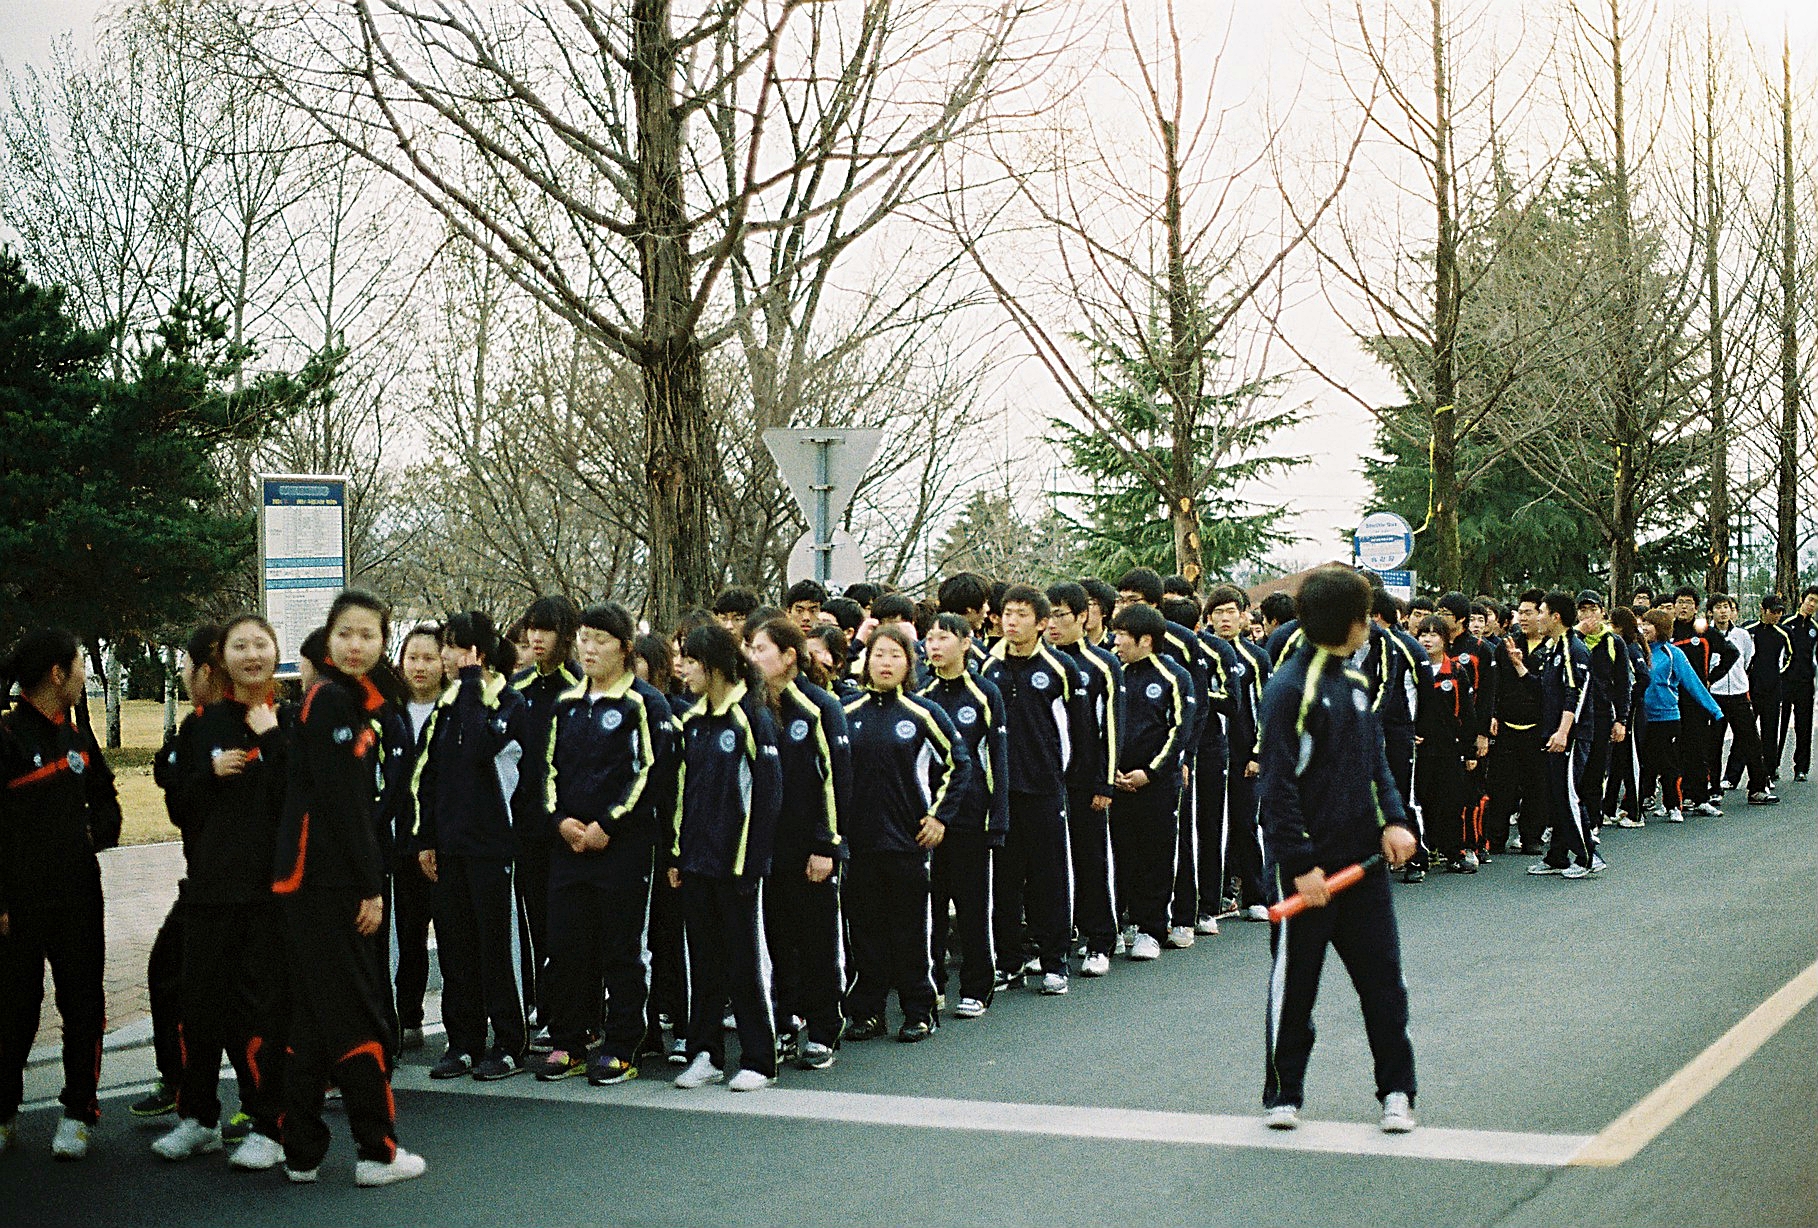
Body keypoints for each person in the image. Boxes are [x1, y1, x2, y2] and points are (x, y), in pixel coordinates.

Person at [1255, 565, 1419, 1135]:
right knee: (1295, 986)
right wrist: (1300, 866)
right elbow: (1275, 787)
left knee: (1383, 984)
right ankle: (1283, 1093)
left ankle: (1397, 1091)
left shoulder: (1355, 681)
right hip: (1309, 872)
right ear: (1349, 622)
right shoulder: (1288, 689)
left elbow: (1376, 764)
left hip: (1362, 866)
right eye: (1365, 616)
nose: (1370, 626)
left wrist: (1394, 820)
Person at [271, 590, 425, 1186]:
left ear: (383, 642)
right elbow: (343, 803)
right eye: (345, 633)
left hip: (313, 881)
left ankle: (302, 1150)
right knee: (360, 1012)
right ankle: (376, 1152)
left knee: (314, 1017)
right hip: (326, 883)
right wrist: (370, 885)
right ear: (328, 639)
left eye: (368, 635)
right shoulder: (333, 699)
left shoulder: (349, 700)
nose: (356, 645)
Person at [150, 615, 294, 1166]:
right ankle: (198, 1117)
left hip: (269, 892)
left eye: (261, 645)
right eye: (240, 646)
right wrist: (208, 775)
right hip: (210, 889)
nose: (251, 655)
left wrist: (272, 739)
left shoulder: (291, 720)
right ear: (223, 659)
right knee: (200, 1004)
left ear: (275, 652)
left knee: (261, 1011)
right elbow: (180, 809)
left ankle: (270, 1125)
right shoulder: (201, 727)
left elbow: (304, 798)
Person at [0, 629, 122, 1161]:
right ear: (57, 673)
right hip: (19, 905)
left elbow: (107, 800)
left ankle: (78, 1112)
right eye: (79, 666)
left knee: (83, 1003)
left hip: (78, 897)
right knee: (13, 1009)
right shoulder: (6, 738)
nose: (83, 676)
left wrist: (100, 829)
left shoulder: (77, 737)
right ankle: (4, 1111)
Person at [536, 602, 670, 1086]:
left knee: (621, 949)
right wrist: (561, 821)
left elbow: (652, 771)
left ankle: (622, 1045)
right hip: (569, 846)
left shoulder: (644, 703)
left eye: (601, 640)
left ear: (625, 648)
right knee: (566, 946)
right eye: (584, 638)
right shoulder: (567, 704)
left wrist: (610, 823)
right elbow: (546, 769)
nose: (589, 649)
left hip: (622, 848)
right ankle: (569, 1041)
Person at [412, 612, 531, 1082]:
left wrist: (470, 683)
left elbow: (479, 746)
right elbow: (427, 776)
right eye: (445, 645)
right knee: (456, 948)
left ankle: (509, 1041)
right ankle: (463, 1040)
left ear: (477, 653)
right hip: (450, 846)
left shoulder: (509, 703)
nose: (445, 655)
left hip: (493, 846)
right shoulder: (444, 708)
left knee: (495, 948)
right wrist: (426, 838)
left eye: (454, 646)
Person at [668, 624, 784, 1093]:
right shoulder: (691, 721)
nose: (682, 669)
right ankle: (705, 1053)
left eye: (690, 661)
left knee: (745, 964)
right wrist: (677, 853)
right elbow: (681, 793)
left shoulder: (752, 716)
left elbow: (768, 794)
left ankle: (760, 1058)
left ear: (714, 665)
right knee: (704, 963)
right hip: (697, 864)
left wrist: (751, 862)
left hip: (737, 867)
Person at [842, 626, 970, 1043]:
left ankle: (919, 1010)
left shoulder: (923, 713)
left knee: (910, 932)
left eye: (895, 656)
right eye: (879, 654)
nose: (886, 663)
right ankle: (868, 1011)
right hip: (859, 844)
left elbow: (959, 764)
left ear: (909, 664)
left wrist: (939, 817)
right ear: (867, 661)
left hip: (908, 843)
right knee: (865, 932)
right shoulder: (846, 712)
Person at [748, 617, 850, 1070]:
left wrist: (827, 844)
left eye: (762, 649)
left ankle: (824, 1028)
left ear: (789, 656)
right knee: (777, 938)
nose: (753, 658)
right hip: (768, 847)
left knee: (816, 940)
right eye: (750, 649)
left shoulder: (819, 707)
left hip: (811, 846)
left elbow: (836, 780)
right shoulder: (752, 706)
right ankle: (785, 1021)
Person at [983, 585, 1092, 996]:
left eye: (1022, 615)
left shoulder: (1061, 668)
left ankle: (1054, 962)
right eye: (1007, 613)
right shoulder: (988, 666)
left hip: (1046, 789)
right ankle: (1009, 962)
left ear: (1042, 623)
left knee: (1050, 878)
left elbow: (1079, 733)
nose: (1012, 622)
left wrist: (1073, 779)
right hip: (1000, 792)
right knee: (1005, 881)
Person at [135, 623, 223, 1123]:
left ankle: (259, 1107)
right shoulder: (194, 728)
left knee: (228, 993)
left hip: (235, 886)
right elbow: (167, 773)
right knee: (171, 974)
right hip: (202, 882)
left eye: (186, 666)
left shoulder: (245, 724)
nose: (183, 675)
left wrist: (195, 777)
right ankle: (183, 1085)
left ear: (203, 670)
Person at [919, 615, 1009, 1017]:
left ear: (966, 643)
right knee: (931, 907)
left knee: (973, 907)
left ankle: (977, 986)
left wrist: (997, 819)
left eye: (944, 638)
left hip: (972, 818)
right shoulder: (923, 693)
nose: (935, 646)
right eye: (929, 638)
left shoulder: (985, 693)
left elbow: (996, 760)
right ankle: (933, 983)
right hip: (928, 819)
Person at [509, 595, 583, 1044]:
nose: (536, 638)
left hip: (567, 826)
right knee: (535, 920)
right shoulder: (517, 688)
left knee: (568, 926)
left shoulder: (578, 687)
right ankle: (544, 1003)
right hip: (525, 826)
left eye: (546, 630)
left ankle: (576, 1013)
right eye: (531, 629)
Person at [1107, 603, 1191, 963]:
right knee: (1120, 854)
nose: (1116, 642)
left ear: (1146, 640)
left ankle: (1152, 929)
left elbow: (1179, 731)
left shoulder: (1174, 676)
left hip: (1157, 783)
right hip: (1116, 782)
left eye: (1122, 635)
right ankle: (1118, 925)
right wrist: (1110, 770)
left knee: (1155, 855)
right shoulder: (1115, 673)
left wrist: (1151, 772)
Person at [1046, 582, 1121, 974]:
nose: (1053, 625)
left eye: (1061, 616)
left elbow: (1110, 727)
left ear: (1081, 616)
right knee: (1049, 866)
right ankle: (1052, 943)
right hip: (1046, 783)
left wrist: (1104, 782)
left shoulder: (1101, 664)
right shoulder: (1042, 663)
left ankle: (1100, 940)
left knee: (1091, 859)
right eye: (1048, 616)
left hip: (1086, 780)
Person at [392, 623, 446, 1053]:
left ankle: (462, 1021)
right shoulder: (392, 713)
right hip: (402, 840)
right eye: (413, 658)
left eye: (429, 658)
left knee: (452, 935)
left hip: (446, 841)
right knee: (409, 934)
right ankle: (407, 1017)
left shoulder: (452, 709)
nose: (420, 666)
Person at [1522, 592, 1599, 879]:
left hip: (1571, 735)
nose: (1537, 617)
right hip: (1552, 733)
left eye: (1541, 612)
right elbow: (1545, 690)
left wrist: (1563, 732)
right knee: (1556, 797)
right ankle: (1557, 856)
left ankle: (1588, 856)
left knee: (1569, 795)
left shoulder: (1572, 648)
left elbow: (1575, 693)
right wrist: (1519, 666)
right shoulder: (1553, 649)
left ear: (1556, 617)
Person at [1637, 609, 1723, 826]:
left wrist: (1715, 710)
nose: (1645, 628)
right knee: (1644, 764)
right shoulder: (1637, 651)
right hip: (1642, 719)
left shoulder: (1672, 653)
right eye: (1643, 623)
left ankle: (1674, 806)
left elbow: (1693, 684)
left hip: (1667, 718)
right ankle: (1636, 806)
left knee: (1669, 765)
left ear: (1661, 628)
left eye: (1649, 624)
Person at [1412, 616, 1479, 873]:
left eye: (1433, 634)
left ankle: (1454, 853)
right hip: (1420, 748)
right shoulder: (1413, 669)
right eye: (1423, 634)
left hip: (1450, 748)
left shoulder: (1457, 671)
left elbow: (1467, 714)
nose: (1427, 640)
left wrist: (1470, 750)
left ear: (1445, 639)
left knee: (1451, 801)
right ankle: (1423, 852)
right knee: (1422, 800)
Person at [1669, 586, 1737, 816]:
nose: (1683, 607)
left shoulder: (1704, 631)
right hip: (1670, 700)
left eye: (1688, 602)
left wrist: (1711, 678)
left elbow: (1732, 653)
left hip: (1696, 700)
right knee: (1673, 750)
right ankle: (1674, 800)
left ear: (1696, 607)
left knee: (1697, 748)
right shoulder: (1667, 631)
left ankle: (1700, 797)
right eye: (1680, 602)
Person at [1572, 591, 1631, 843]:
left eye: (1593, 610)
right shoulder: (1571, 640)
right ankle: (1568, 821)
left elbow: (1623, 684)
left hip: (1601, 715)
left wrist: (1622, 720)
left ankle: (1592, 822)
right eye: (1583, 610)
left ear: (1602, 612)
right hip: (1573, 715)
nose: (1588, 615)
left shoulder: (1613, 642)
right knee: (1573, 772)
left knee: (1595, 771)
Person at [1707, 594, 1775, 806]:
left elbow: (1746, 660)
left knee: (1751, 742)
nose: (1723, 611)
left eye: (1726, 607)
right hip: (1714, 695)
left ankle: (1757, 788)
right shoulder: (1706, 635)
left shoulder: (1742, 635)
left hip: (1739, 694)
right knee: (1713, 744)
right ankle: (1713, 789)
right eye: (1718, 607)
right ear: (1710, 612)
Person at [1603, 607, 1651, 828]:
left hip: (1632, 712)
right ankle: (1608, 808)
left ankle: (1636, 813)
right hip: (1619, 711)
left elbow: (1643, 678)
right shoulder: (1615, 647)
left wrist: (1630, 700)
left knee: (1632, 763)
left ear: (1620, 627)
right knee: (1617, 762)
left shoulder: (1632, 648)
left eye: (1612, 624)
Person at [1744, 596, 1792, 785]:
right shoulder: (1748, 630)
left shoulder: (1784, 633)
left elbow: (1790, 656)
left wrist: (1776, 673)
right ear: (1762, 610)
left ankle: (1769, 773)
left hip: (1773, 689)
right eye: (1773, 611)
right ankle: (1732, 776)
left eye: (1780, 612)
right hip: (1751, 688)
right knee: (1746, 732)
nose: (1777, 616)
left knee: (1770, 733)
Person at [1778, 586, 1818, 782]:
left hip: (1805, 683)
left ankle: (1801, 768)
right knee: (1779, 724)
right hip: (1785, 681)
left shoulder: (1815, 628)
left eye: (1816, 602)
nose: (1812, 604)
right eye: (1810, 599)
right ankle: (1772, 765)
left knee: (1804, 726)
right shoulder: (1786, 622)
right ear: (1802, 599)